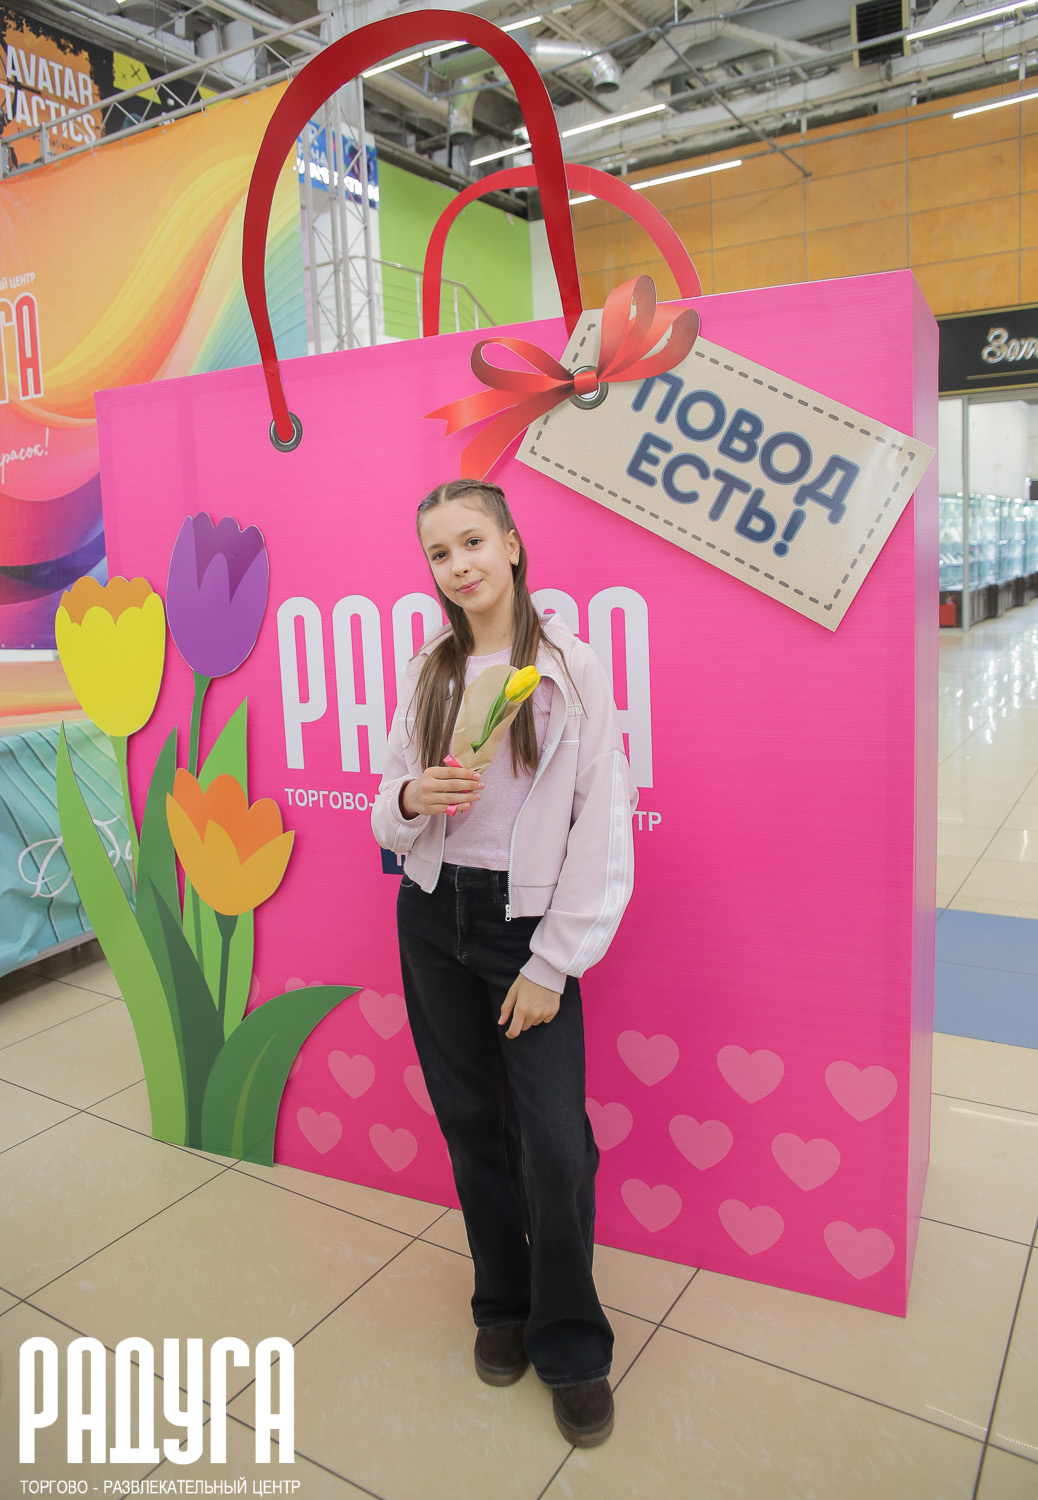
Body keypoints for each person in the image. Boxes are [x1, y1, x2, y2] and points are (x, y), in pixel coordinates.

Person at [370, 477, 638, 1447]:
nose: (460, 566)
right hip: (432, 917)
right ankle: (503, 1304)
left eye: (474, 542)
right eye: (440, 554)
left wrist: (553, 962)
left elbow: (601, 827)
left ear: (514, 545)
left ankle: (573, 1343)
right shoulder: (430, 669)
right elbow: (386, 806)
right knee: (471, 1124)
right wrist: (413, 799)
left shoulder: (569, 667)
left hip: (526, 927)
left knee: (555, 1144)